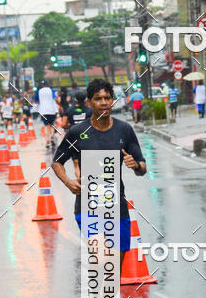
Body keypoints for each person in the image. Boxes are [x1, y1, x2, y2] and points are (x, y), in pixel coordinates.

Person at [52, 78, 146, 268]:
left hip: (117, 207)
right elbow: (57, 162)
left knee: (114, 270)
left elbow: (142, 168)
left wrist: (135, 165)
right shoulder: (77, 132)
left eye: (107, 98)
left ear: (112, 100)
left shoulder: (124, 130)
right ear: (89, 102)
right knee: (103, 261)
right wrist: (68, 182)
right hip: (88, 208)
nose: (103, 102)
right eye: (98, 98)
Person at [35, 80, 60, 148]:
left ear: (42, 85)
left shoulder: (39, 91)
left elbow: (36, 100)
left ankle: (47, 140)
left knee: (46, 126)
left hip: (43, 110)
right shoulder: (51, 90)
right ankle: (51, 137)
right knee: (51, 125)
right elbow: (55, 98)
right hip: (52, 110)